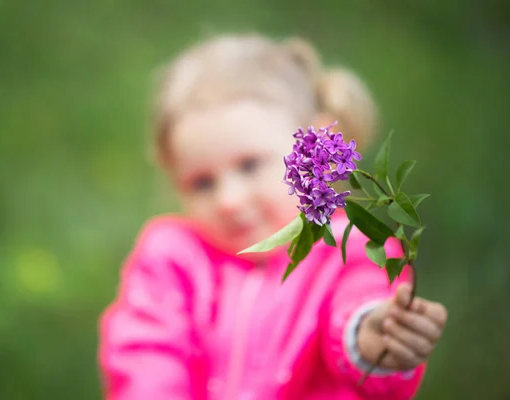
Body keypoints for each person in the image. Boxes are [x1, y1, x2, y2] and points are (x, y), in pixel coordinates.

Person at [97, 33, 448, 400]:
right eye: (201, 183)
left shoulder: (352, 246)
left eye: (250, 165)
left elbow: (360, 297)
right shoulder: (172, 257)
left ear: (317, 146)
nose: (228, 200)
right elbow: (148, 356)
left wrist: (368, 334)